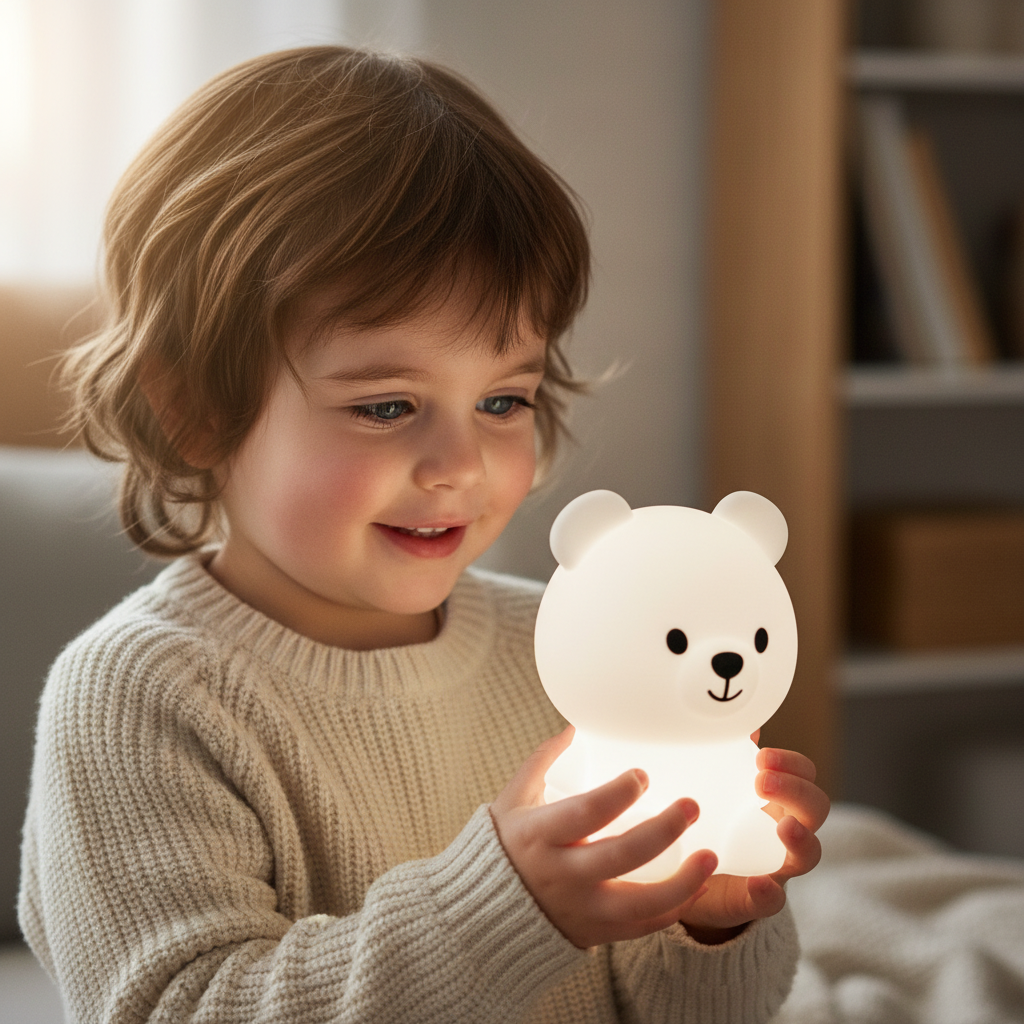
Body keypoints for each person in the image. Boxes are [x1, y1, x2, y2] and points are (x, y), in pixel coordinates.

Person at [19, 46, 829, 1023]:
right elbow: (185, 1006)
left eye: (501, 398)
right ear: (194, 408)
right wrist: (503, 906)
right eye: (386, 406)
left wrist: (708, 920)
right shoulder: (140, 696)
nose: (461, 463)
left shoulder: (568, 659)